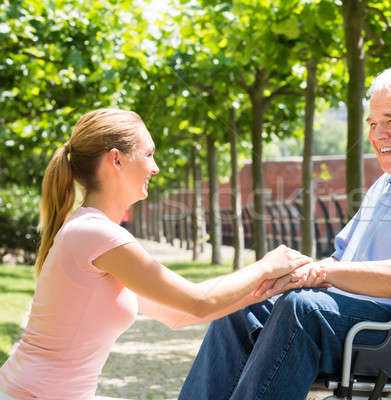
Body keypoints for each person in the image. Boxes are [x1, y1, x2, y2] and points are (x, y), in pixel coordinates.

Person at [178, 68, 391, 400]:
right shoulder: (387, 185)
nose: (377, 134)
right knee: (244, 305)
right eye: (371, 123)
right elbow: (341, 260)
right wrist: (291, 275)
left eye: (390, 120)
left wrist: (322, 273)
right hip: (364, 317)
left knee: (303, 309)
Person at [0, 109, 323, 400]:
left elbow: (179, 315)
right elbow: (197, 301)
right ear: (116, 160)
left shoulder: (92, 231)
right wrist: (266, 266)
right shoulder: (96, 235)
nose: (155, 168)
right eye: (149, 154)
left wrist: (275, 286)